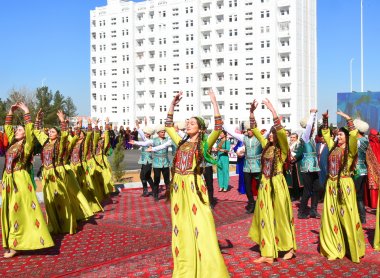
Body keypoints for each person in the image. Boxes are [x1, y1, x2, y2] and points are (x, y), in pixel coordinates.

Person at [165, 90, 229, 277]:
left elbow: (218, 128)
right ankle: (185, 267)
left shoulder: (203, 145)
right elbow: (168, 126)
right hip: (178, 187)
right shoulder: (180, 142)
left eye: (192, 123)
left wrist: (214, 101)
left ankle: (208, 268)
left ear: (200, 129)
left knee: (202, 224)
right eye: (187, 122)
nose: (188, 124)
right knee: (180, 226)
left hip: (194, 187)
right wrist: (173, 103)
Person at [1, 102, 54, 258]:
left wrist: (26, 112)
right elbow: (8, 129)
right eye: (17, 129)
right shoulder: (12, 143)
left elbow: (30, 132)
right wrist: (10, 111)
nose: (17, 131)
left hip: (20, 181)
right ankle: (13, 242)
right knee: (9, 212)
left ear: (25, 134)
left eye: (20, 129)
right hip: (8, 180)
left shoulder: (27, 145)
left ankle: (16, 244)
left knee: (17, 212)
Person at [248, 98, 297, 264]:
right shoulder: (266, 146)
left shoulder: (282, 148)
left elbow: (282, 134)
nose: (270, 135)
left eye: (273, 133)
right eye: (270, 133)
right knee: (264, 216)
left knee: (281, 216)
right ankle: (267, 252)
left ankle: (289, 248)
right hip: (265, 184)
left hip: (277, 183)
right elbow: (254, 130)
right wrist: (251, 112)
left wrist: (272, 111)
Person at [319, 110, 365, 263]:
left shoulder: (350, 151)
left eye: (341, 135)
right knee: (331, 216)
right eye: (337, 135)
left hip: (345, 185)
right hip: (331, 185)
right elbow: (325, 133)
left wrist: (348, 119)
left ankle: (353, 248)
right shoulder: (333, 147)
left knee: (346, 217)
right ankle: (333, 247)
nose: (338, 137)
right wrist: (325, 119)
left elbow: (353, 135)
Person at [34, 109, 77, 234]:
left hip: (57, 173)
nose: (50, 133)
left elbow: (65, 135)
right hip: (47, 174)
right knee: (49, 200)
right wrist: (38, 119)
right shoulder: (46, 142)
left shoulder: (60, 143)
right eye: (49, 131)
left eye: (53, 131)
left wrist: (62, 121)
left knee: (61, 198)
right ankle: (53, 225)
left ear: (57, 134)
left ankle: (67, 224)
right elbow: (37, 131)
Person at [224, 113, 263, 214]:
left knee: (260, 186)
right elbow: (232, 133)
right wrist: (222, 123)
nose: (248, 131)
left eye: (250, 129)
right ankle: (251, 203)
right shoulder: (244, 138)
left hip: (258, 166)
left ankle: (261, 203)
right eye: (247, 130)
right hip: (246, 166)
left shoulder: (260, 138)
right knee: (247, 186)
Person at [296, 109, 321, 219]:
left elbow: (312, 125)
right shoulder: (305, 137)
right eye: (312, 128)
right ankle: (301, 212)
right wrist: (312, 114)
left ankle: (313, 210)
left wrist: (314, 116)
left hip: (314, 167)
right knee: (307, 190)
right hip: (307, 168)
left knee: (317, 188)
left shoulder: (311, 139)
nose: (313, 129)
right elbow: (310, 125)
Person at [353, 119, 369, 224]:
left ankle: (360, 217)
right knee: (360, 195)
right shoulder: (365, 140)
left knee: (356, 195)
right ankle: (362, 217)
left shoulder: (357, 141)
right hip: (363, 169)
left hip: (357, 170)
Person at [366, 129, 380, 209]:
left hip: (371, 168)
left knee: (373, 185)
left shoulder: (368, 144)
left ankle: (373, 203)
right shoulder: (378, 143)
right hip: (377, 167)